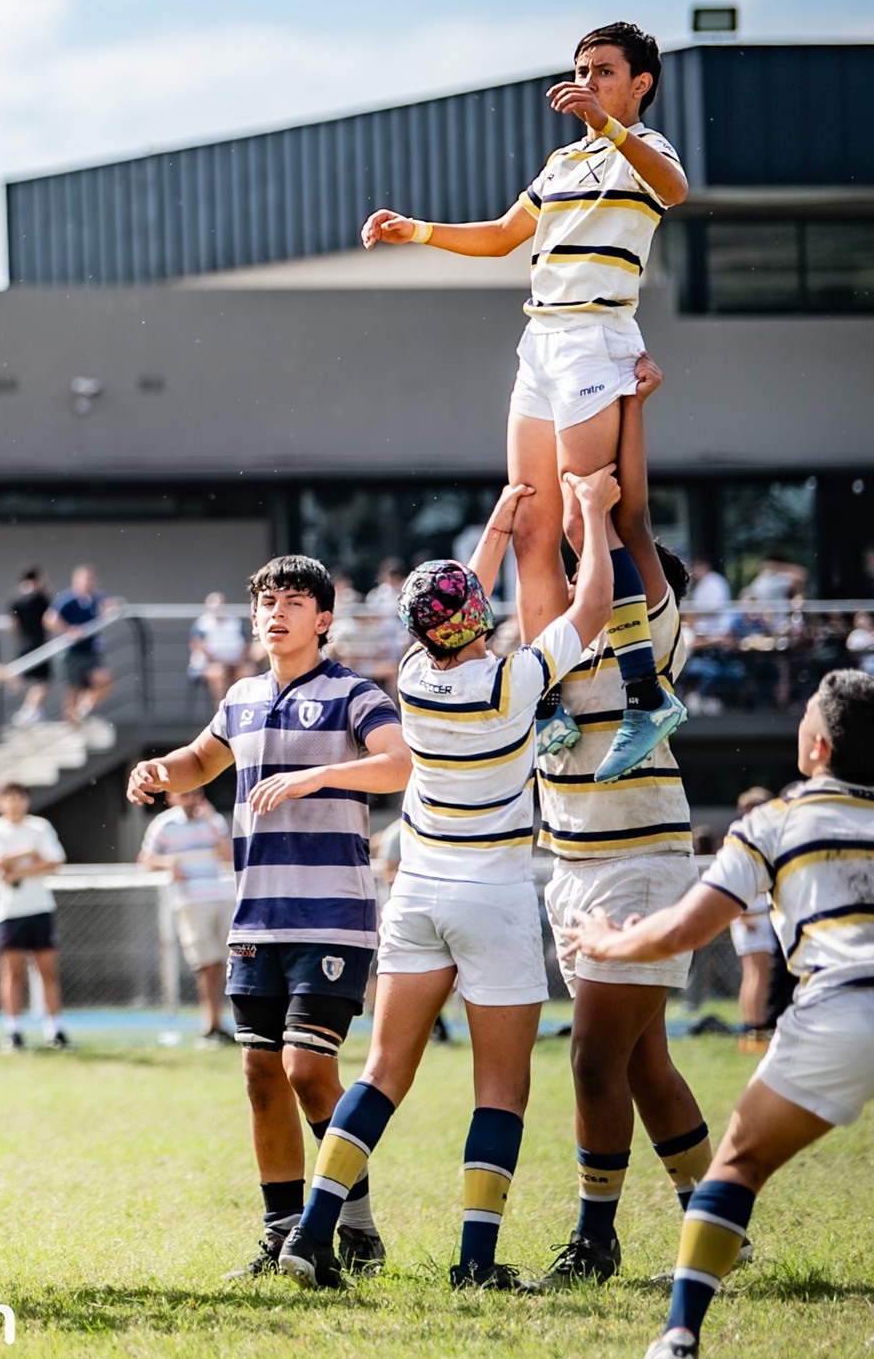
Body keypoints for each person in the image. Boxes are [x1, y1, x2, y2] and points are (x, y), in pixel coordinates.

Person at [277, 470, 618, 1293]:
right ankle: (475, 1260)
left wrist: (498, 526)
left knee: (381, 1073)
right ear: (477, 617)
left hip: (418, 891)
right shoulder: (513, 680)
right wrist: (593, 514)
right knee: (499, 1088)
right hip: (493, 896)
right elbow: (594, 607)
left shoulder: (413, 675)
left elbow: (459, 603)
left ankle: (313, 1232)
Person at [363, 22, 689, 783]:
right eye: (581, 69)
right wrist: (417, 230)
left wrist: (608, 124)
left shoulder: (646, 148)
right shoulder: (562, 160)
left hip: (595, 336)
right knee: (531, 525)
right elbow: (505, 234)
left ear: (640, 83)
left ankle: (646, 693)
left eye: (603, 70)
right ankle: (545, 704)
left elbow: (675, 190)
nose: (587, 81)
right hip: (539, 342)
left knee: (587, 518)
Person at [561, 670, 874, 1359]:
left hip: (841, 1009)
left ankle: (679, 1335)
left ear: (818, 746)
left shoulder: (775, 820)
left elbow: (684, 929)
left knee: (736, 1166)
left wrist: (607, 941)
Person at [128, 554, 408, 1281]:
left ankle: (352, 1220)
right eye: (266, 604)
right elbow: (200, 761)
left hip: (332, 915)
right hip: (256, 919)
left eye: (292, 602)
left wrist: (318, 776)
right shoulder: (242, 697)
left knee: (307, 1068)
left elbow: (400, 764)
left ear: (324, 618)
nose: (275, 613)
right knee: (261, 1075)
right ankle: (280, 1232)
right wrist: (159, 770)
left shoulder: (354, 693)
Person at [535, 359, 719, 1285]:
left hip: (638, 863)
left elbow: (632, 521)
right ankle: (718, 1225)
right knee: (644, 1063)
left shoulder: (656, 632)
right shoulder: (564, 644)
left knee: (592, 1058)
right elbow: (551, 545)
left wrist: (630, 409)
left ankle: (595, 1240)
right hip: (573, 865)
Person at [139, 785, 235, 1042]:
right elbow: (146, 859)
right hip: (191, 901)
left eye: (195, 794)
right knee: (206, 964)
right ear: (171, 798)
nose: (191, 799)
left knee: (228, 963)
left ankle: (222, 1024)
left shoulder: (213, 820)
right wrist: (168, 863)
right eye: (185, 794)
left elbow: (228, 857)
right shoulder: (163, 824)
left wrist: (212, 823)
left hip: (224, 898)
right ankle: (211, 1025)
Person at [0, 783, 69, 1052]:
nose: (15, 803)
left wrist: (17, 871)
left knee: (47, 970)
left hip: (40, 907)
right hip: (9, 912)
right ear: (0, 802)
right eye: (9, 798)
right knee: (12, 972)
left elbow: (54, 861)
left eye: (19, 798)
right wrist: (29, 854)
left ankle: (55, 1030)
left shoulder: (40, 827)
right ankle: (13, 1031)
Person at [728, 786, 780, 1051]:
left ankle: (751, 1029)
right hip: (752, 915)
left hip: (747, 914)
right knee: (759, 975)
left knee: (752, 975)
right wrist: (741, 915)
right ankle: (756, 1030)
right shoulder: (748, 835)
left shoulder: (741, 833)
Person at [46, 564, 111, 724]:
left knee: (104, 681)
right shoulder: (68, 599)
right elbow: (49, 619)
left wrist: (112, 607)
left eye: (91, 580)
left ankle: (82, 710)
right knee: (73, 688)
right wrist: (69, 630)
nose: (89, 583)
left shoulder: (96, 598)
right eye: (85, 580)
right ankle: (71, 722)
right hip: (72, 652)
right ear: (76, 581)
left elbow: (110, 605)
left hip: (90, 651)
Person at [191, 591, 252, 708]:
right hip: (211, 664)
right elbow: (198, 645)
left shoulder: (235, 622)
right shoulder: (201, 624)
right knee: (217, 673)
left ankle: (244, 709)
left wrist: (240, 659)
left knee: (247, 672)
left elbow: (246, 644)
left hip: (236, 663)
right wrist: (218, 660)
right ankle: (222, 710)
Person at [8, 568, 53, 725]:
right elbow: (49, 616)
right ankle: (29, 711)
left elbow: (13, 624)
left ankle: (33, 710)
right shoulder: (39, 598)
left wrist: (20, 638)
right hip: (38, 643)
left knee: (29, 678)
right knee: (43, 681)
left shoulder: (16, 598)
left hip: (23, 643)